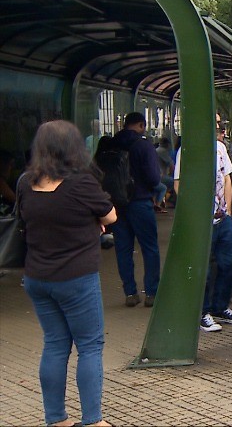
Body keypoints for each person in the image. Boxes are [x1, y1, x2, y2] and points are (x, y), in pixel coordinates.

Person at [19, 120, 116, 427]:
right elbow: (110, 215)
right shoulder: (80, 183)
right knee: (89, 345)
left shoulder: (24, 182)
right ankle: (92, 421)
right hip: (76, 279)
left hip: (37, 278)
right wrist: (92, 223)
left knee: (55, 344)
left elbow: (30, 219)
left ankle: (56, 419)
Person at [174, 118, 232, 332]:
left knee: (230, 263)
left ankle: (220, 307)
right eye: (214, 122)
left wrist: (227, 209)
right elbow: (178, 184)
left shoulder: (220, 148)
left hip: (222, 217)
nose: (217, 126)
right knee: (204, 270)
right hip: (201, 220)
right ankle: (202, 312)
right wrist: (194, 211)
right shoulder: (186, 150)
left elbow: (227, 178)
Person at [110, 112, 161, 308]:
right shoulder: (143, 144)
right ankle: (151, 293)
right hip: (140, 202)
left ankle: (130, 293)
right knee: (150, 248)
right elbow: (154, 178)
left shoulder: (111, 144)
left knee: (123, 249)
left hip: (117, 204)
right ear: (141, 124)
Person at [154, 138, 174, 211]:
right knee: (173, 183)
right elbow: (171, 165)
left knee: (160, 188)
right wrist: (171, 173)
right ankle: (169, 201)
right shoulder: (162, 151)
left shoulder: (156, 150)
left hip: (155, 174)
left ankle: (160, 201)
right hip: (160, 175)